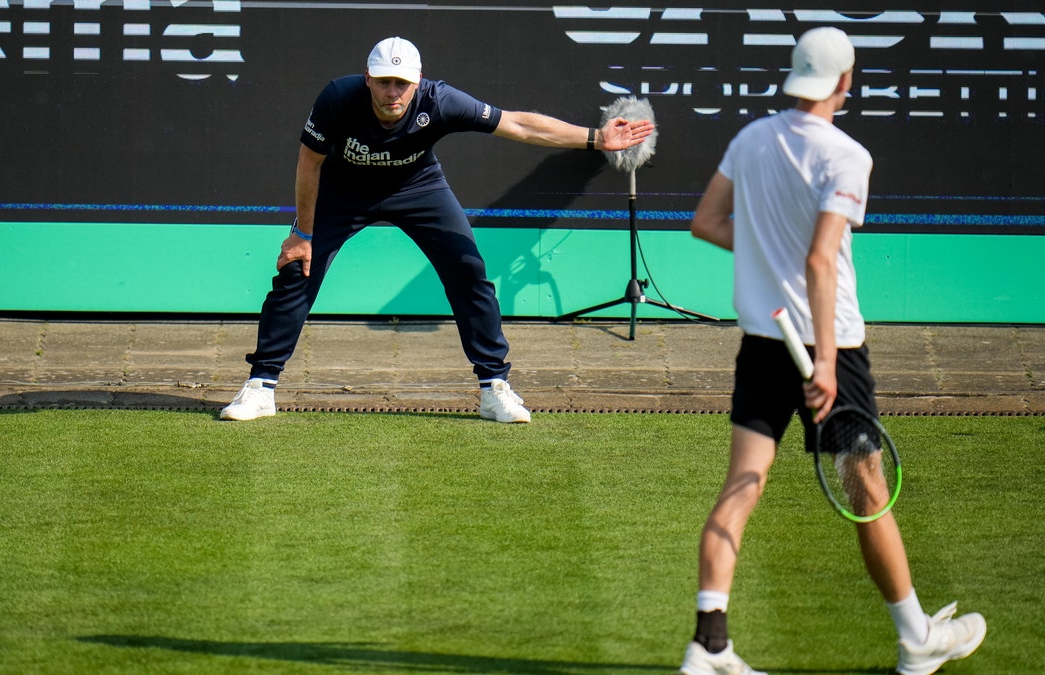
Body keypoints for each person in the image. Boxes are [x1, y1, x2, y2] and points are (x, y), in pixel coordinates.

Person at [679, 27, 986, 675]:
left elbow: (706, 221)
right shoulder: (847, 157)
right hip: (832, 351)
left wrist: (764, 256)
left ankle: (708, 643)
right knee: (867, 487)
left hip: (765, 343)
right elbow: (820, 259)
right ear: (845, 83)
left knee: (743, 485)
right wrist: (821, 365)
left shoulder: (751, 139)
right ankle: (917, 639)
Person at [221, 36, 655, 424]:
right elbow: (309, 163)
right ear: (367, 79)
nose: (394, 92)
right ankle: (261, 387)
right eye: (385, 82)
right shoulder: (337, 98)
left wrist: (596, 139)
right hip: (343, 189)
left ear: (418, 82)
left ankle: (494, 389)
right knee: (298, 270)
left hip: (417, 186)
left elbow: (517, 124)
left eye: (403, 84)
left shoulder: (442, 101)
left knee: (469, 269)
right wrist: (303, 234)